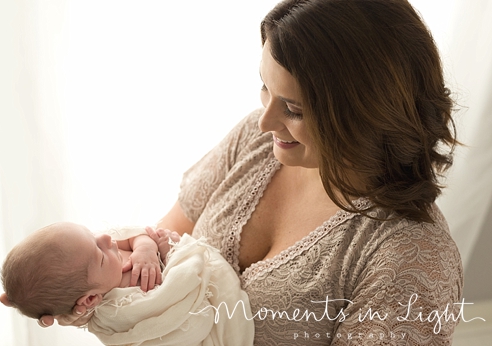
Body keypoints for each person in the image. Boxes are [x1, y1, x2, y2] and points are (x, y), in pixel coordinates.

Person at [39, 0, 464, 344]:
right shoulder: (260, 143)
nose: (265, 121)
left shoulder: (413, 259)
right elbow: (161, 241)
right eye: (265, 87)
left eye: (294, 109)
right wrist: (81, 290)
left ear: (368, 113)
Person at [0, 222, 254, 345]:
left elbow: (135, 236)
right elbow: (176, 294)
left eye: (91, 234)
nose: (106, 238)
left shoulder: (100, 262)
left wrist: (146, 248)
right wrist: (173, 253)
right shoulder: (119, 309)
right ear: (90, 300)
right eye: (99, 252)